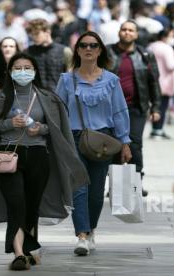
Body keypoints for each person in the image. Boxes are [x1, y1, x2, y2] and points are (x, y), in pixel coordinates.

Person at [0, 52, 89, 270]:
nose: (23, 72)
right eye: (18, 68)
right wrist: (9, 124)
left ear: (34, 71)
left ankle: (29, 250)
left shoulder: (48, 98)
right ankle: (18, 253)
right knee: (16, 203)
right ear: (10, 72)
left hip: (38, 156)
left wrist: (41, 128)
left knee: (31, 206)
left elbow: (56, 130)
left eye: (27, 67)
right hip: (7, 157)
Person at [56, 31, 132, 256]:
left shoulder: (111, 80)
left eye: (93, 45)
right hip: (74, 138)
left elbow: (119, 112)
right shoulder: (66, 80)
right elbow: (58, 111)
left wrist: (125, 141)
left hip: (103, 141)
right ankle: (81, 235)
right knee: (79, 188)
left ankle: (91, 230)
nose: (88, 49)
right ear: (77, 50)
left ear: (100, 50)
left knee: (97, 191)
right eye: (83, 45)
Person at [106, 19, 162, 196]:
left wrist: (156, 108)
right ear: (119, 32)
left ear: (136, 35)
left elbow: (154, 83)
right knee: (114, 146)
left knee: (135, 145)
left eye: (131, 30)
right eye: (124, 30)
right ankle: (115, 186)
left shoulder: (145, 54)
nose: (127, 33)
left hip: (136, 108)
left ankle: (135, 184)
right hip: (111, 109)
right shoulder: (108, 52)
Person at [147, 29, 174, 139]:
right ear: (164, 37)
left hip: (151, 79)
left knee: (154, 105)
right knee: (162, 106)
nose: (173, 38)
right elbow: (170, 65)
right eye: (171, 35)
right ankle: (158, 130)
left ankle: (154, 129)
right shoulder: (167, 48)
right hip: (165, 81)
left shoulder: (150, 47)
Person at [25, 19, 73, 92]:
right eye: (32, 34)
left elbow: (71, 78)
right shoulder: (28, 52)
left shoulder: (65, 51)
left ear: (47, 31)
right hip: (36, 97)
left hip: (59, 97)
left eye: (37, 34)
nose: (34, 37)